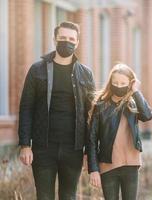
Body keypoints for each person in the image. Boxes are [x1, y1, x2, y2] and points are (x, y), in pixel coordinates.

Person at [18, 21, 95, 200]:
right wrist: (25, 145)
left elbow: (92, 116)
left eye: (71, 39)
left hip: (73, 148)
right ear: (54, 39)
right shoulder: (37, 69)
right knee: (44, 196)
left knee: (68, 196)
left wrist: (89, 154)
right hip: (43, 147)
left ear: (77, 42)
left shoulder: (86, 74)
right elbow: (26, 107)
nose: (66, 42)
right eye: (62, 38)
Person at [87, 63, 152, 200]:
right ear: (110, 83)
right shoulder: (101, 106)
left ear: (130, 84)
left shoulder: (133, 104)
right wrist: (93, 169)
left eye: (123, 83)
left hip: (131, 165)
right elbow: (91, 139)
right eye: (115, 82)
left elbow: (147, 115)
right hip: (107, 165)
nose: (119, 86)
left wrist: (135, 91)